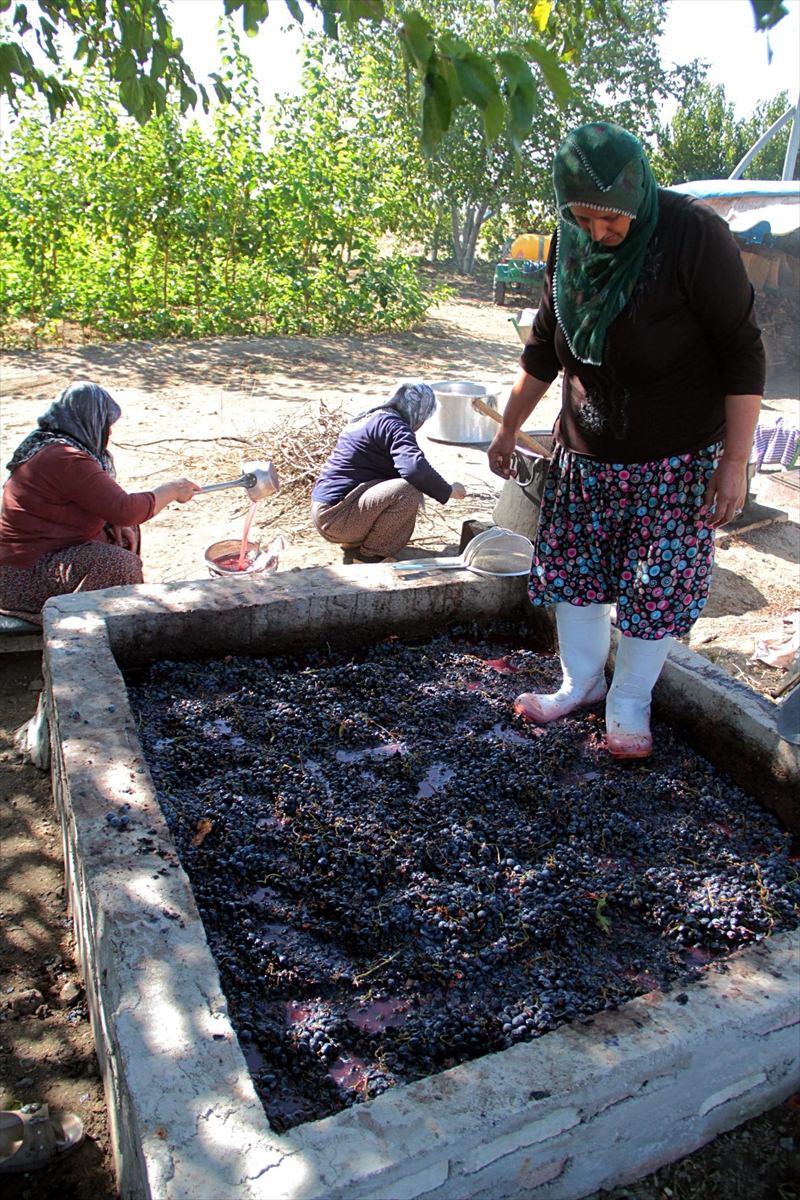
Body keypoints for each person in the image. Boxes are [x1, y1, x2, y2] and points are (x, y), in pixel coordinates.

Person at [488, 121, 764, 759]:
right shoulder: (570, 246)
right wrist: (507, 428)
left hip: (676, 462)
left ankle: (629, 700)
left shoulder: (693, 235)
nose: (598, 234)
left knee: (654, 584)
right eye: (582, 219)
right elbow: (542, 350)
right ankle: (580, 683)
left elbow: (742, 353)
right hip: (587, 457)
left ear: (638, 194)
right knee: (577, 576)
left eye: (609, 221)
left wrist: (736, 462)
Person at [0, 380, 200, 622]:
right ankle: (90, 628)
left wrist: (112, 520)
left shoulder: (55, 448)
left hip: (48, 553)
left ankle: (108, 615)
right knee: (117, 564)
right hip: (24, 575)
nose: (110, 432)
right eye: (107, 425)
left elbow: (112, 508)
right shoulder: (64, 459)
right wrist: (172, 490)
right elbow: (126, 509)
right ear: (90, 421)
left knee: (125, 530)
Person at [312, 381, 467, 562]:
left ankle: (353, 539)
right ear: (419, 409)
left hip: (325, 513)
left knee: (394, 484)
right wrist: (449, 491)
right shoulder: (394, 425)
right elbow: (414, 469)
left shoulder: (369, 419)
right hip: (336, 518)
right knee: (407, 491)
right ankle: (370, 558)